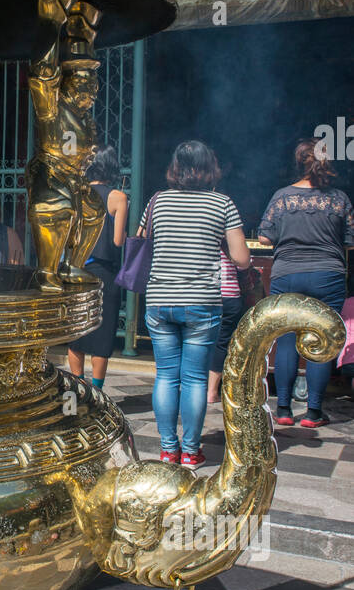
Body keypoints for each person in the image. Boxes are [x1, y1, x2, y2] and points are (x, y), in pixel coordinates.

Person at [139, 141, 251, 466]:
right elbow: (242, 259)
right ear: (209, 168)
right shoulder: (223, 204)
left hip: (159, 300)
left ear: (175, 167)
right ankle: (190, 452)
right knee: (194, 379)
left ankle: (167, 450)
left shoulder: (157, 201)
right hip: (202, 302)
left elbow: (141, 240)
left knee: (165, 376)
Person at [257, 137, 354, 428]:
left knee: (286, 338)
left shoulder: (282, 197)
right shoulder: (339, 199)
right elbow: (350, 240)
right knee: (322, 341)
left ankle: (284, 410)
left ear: (298, 163)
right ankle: (313, 413)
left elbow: (264, 236)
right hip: (328, 276)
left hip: (287, 275)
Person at [68, 144, 128, 389]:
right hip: (105, 272)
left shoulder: (74, 195)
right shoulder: (118, 197)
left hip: (77, 269)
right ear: (111, 165)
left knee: (77, 332)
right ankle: (97, 390)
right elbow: (118, 240)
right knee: (102, 333)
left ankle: (77, 385)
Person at [206, 245, 245, 404]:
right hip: (229, 295)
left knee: (199, 341)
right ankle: (212, 391)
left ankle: (196, 387)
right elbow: (244, 263)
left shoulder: (201, 236)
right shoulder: (230, 238)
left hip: (204, 295)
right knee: (221, 344)